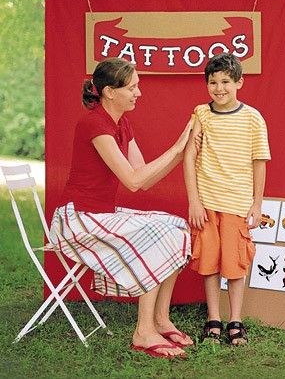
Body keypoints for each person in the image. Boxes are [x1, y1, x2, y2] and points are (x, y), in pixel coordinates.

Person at [49, 57, 194, 358]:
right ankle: (143, 332)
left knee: (177, 226)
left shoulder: (121, 123)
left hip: (98, 214)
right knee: (156, 232)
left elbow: (144, 177)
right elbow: (131, 180)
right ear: (109, 92)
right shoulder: (94, 123)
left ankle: (161, 319)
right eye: (132, 87)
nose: (138, 93)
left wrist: (181, 153)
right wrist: (177, 148)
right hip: (76, 220)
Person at [184, 52, 271, 345]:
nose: (219, 88)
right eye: (213, 82)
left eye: (225, 82)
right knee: (208, 263)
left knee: (235, 264)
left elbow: (260, 161)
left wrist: (257, 204)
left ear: (239, 83)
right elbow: (189, 158)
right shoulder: (201, 114)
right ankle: (213, 319)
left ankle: (236, 319)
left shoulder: (253, 118)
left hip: (237, 204)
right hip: (207, 203)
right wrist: (194, 201)